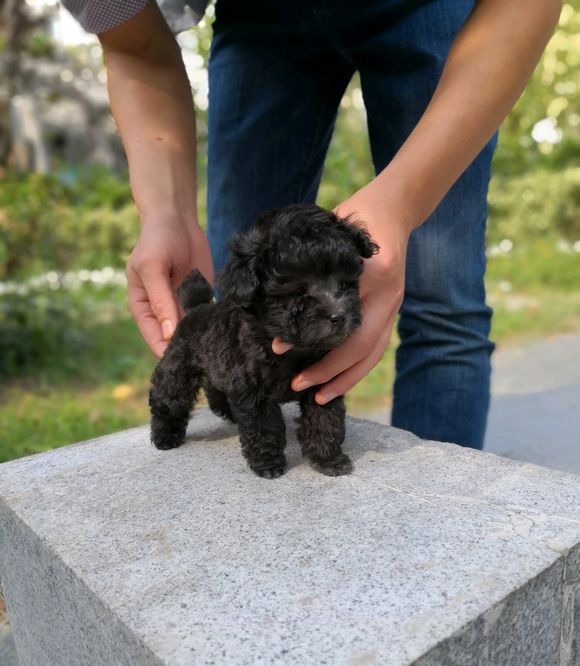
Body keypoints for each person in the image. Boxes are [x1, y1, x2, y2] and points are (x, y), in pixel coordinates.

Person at [63, 0, 561, 449]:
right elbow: (137, 46)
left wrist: (403, 202)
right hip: (261, 23)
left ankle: (440, 518)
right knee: (237, 306)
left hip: (430, 6)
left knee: (441, 298)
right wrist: (166, 211)